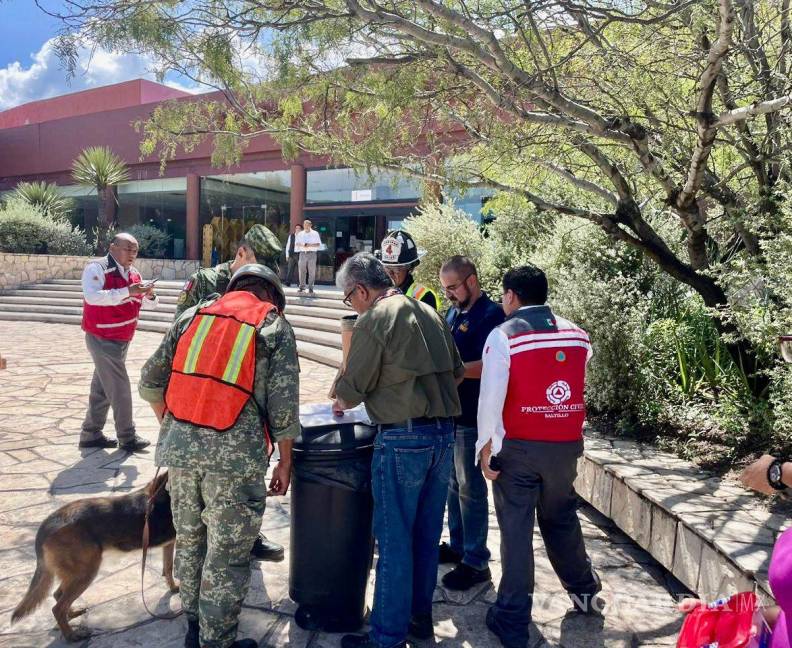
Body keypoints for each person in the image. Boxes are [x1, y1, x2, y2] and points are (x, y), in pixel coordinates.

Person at [139, 264, 299, 648]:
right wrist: (286, 461)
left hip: (180, 454)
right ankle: (218, 641)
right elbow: (283, 408)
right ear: (273, 296)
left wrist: (174, 426)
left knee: (191, 541)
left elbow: (149, 382)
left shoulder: (193, 316)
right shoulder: (272, 326)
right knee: (227, 554)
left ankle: (196, 628)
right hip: (235, 461)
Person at [332, 253, 465, 648]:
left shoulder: (374, 318)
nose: (350, 305)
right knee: (425, 537)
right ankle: (419, 621)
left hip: (403, 439)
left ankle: (386, 637)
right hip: (443, 437)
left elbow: (351, 387)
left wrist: (341, 397)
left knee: (393, 541)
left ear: (360, 290)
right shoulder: (429, 313)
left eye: (347, 298)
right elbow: (457, 372)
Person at [477, 265, 601, 648]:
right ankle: (585, 593)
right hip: (565, 447)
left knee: (515, 532)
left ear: (512, 296)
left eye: (503, 295)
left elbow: (491, 399)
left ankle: (512, 619)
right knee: (561, 517)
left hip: (519, 450)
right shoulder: (578, 335)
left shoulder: (504, 336)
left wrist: (486, 448)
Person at [174, 223, 285, 562]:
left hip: (245, 396)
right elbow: (180, 335)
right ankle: (205, 538)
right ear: (240, 253)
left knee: (251, 471)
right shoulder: (206, 282)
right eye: (256, 261)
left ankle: (248, 533)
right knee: (199, 476)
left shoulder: (266, 286)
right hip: (204, 394)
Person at [437, 256, 505, 591]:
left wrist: (455, 372)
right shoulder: (453, 311)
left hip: (473, 416)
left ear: (471, 281)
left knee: (470, 489)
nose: (448, 294)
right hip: (451, 412)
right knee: (453, 484)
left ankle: (477, 560)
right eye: (444, 288)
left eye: (452, 287)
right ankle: (460, 545)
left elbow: (493, 364)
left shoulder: (492, 315)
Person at [79, 232, 158, 452]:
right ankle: (127, 436)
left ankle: (90, 433)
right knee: (120, 387)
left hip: (122, 339)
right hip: (102, 338)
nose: (132, 254)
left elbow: (150, 303)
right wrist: (127, 291)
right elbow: (92, 296)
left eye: (135, 250)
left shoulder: (134, 274)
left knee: (103, 387)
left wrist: (149, 295)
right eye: (127, 248)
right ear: (113, 247)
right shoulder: (97, 268)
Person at [174, 224, 282, 318]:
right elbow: (177, 331)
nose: (262, 274)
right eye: (259, 266)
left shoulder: (267, 289)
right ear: (241, 253)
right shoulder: (203, 282)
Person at [377, 229, 439, 310]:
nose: (390, 273)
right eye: (387, 267)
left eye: (396, 269)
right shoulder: (378, 294)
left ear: (410, 268)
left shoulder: (425, 296)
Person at [296, 219, 321, 295]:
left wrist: (309, 245)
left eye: (307, 225)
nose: (305, 226)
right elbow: (297, 243)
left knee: (311, 271)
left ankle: (311, 288)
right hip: (302, 253)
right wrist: (303, 245)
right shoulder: (300, 234)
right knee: (301, 270)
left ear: (310, 225)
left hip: (312, 254)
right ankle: (302, 287)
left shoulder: (315, 233)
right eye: (304, 224)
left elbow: (318, 244)